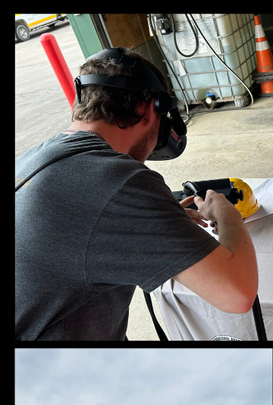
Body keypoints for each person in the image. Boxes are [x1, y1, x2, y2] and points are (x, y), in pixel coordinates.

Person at [14, 48, 253, 341]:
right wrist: (228, 215)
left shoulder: (34, 159)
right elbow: (237, 295)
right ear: (150, 109)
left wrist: (156, 221)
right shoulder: (119, 180)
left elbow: (79, 228)